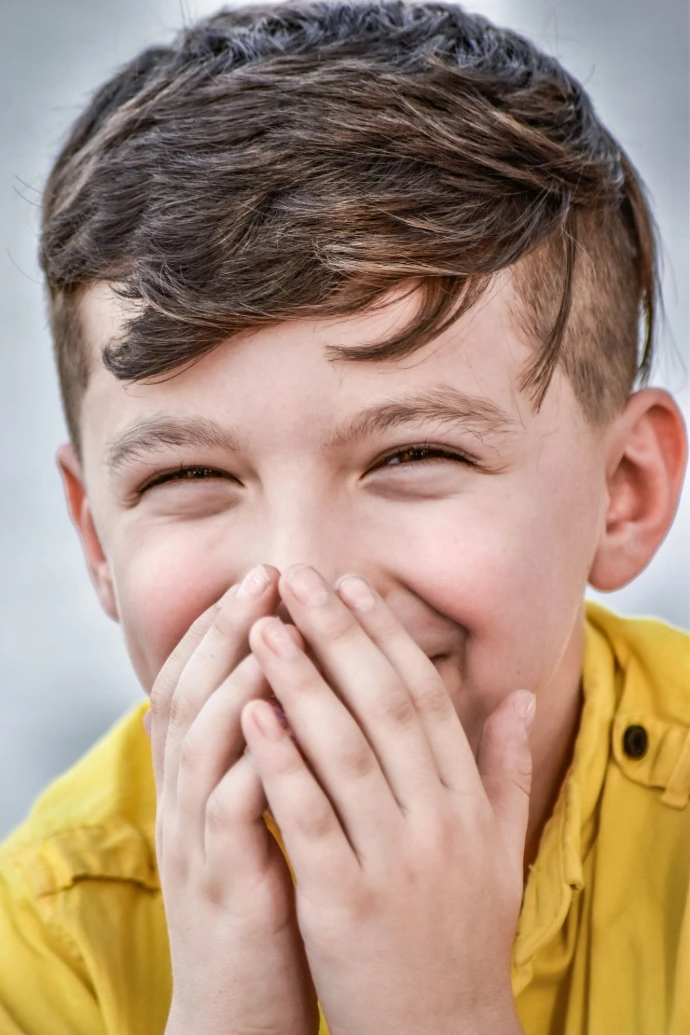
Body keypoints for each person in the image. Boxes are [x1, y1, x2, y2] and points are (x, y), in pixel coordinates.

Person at [1, 1, 688, 1032]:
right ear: (99, 539)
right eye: (187, 475)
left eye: (415, 454)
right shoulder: (46, 939)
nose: (296, 585)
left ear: (625, 493)